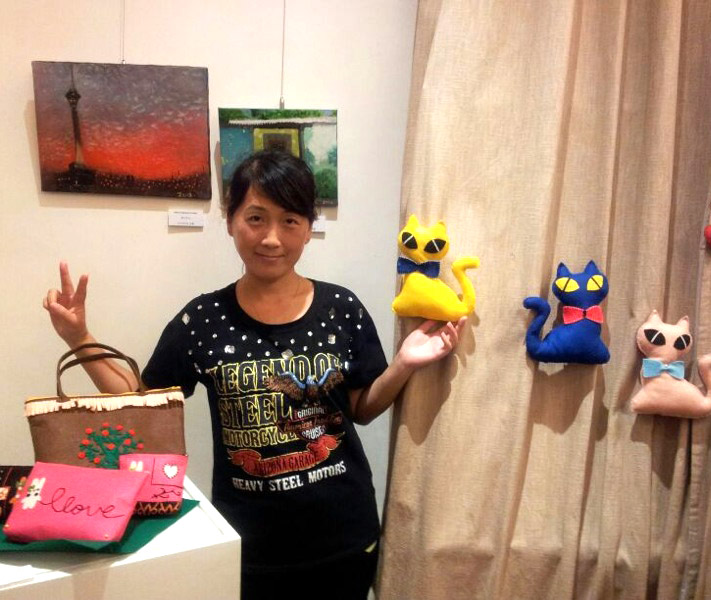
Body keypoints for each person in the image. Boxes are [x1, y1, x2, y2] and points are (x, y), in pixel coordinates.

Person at [43, 150, 466, 599]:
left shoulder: (342, 309)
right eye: (256, 218)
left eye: (290, 221)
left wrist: (403, 364)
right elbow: (141, 402)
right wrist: (80, 339)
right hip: (250, 546)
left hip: (344, 536)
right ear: (230, 220)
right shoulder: (202, 319)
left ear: (309, 227)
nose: (271, 238)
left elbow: (361, 409)